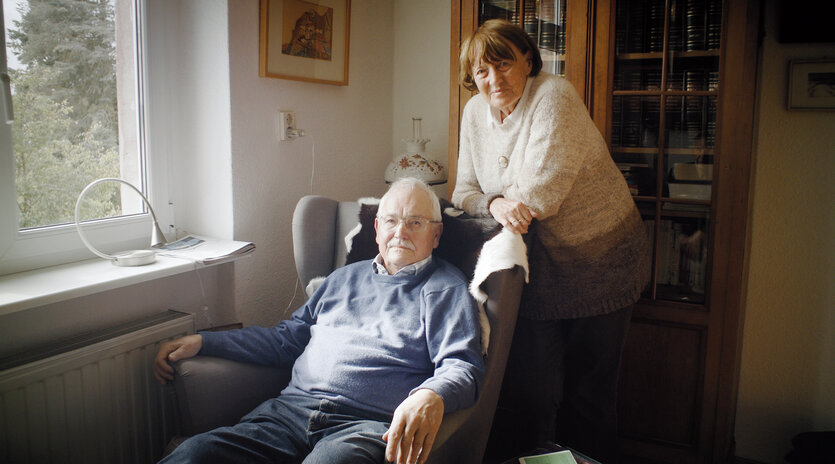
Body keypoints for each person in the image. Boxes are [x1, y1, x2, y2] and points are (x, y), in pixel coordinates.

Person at [153, 178, 485, 464]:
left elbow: (462, 365)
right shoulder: (342, 279)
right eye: (391, 221)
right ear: (376, 228)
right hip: (288, 415)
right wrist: (204, 341)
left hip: (364, 426)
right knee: (195, 454)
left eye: (415, 222)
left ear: (436, 235)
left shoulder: (444, 288)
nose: (400, 232)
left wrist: (431, 393)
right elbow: (285, 340)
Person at [452, 19, 651, 463]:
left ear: (527, 59)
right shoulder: (473, 113)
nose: (493, 79)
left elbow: (540, 196)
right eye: (482, 71)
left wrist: (499, 201)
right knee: (533, 393)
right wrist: (496, 202)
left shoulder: (554, 95)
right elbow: (461, 191)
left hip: (602, 260)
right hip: (537, 268)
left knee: (589, 394)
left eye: (503, 64)